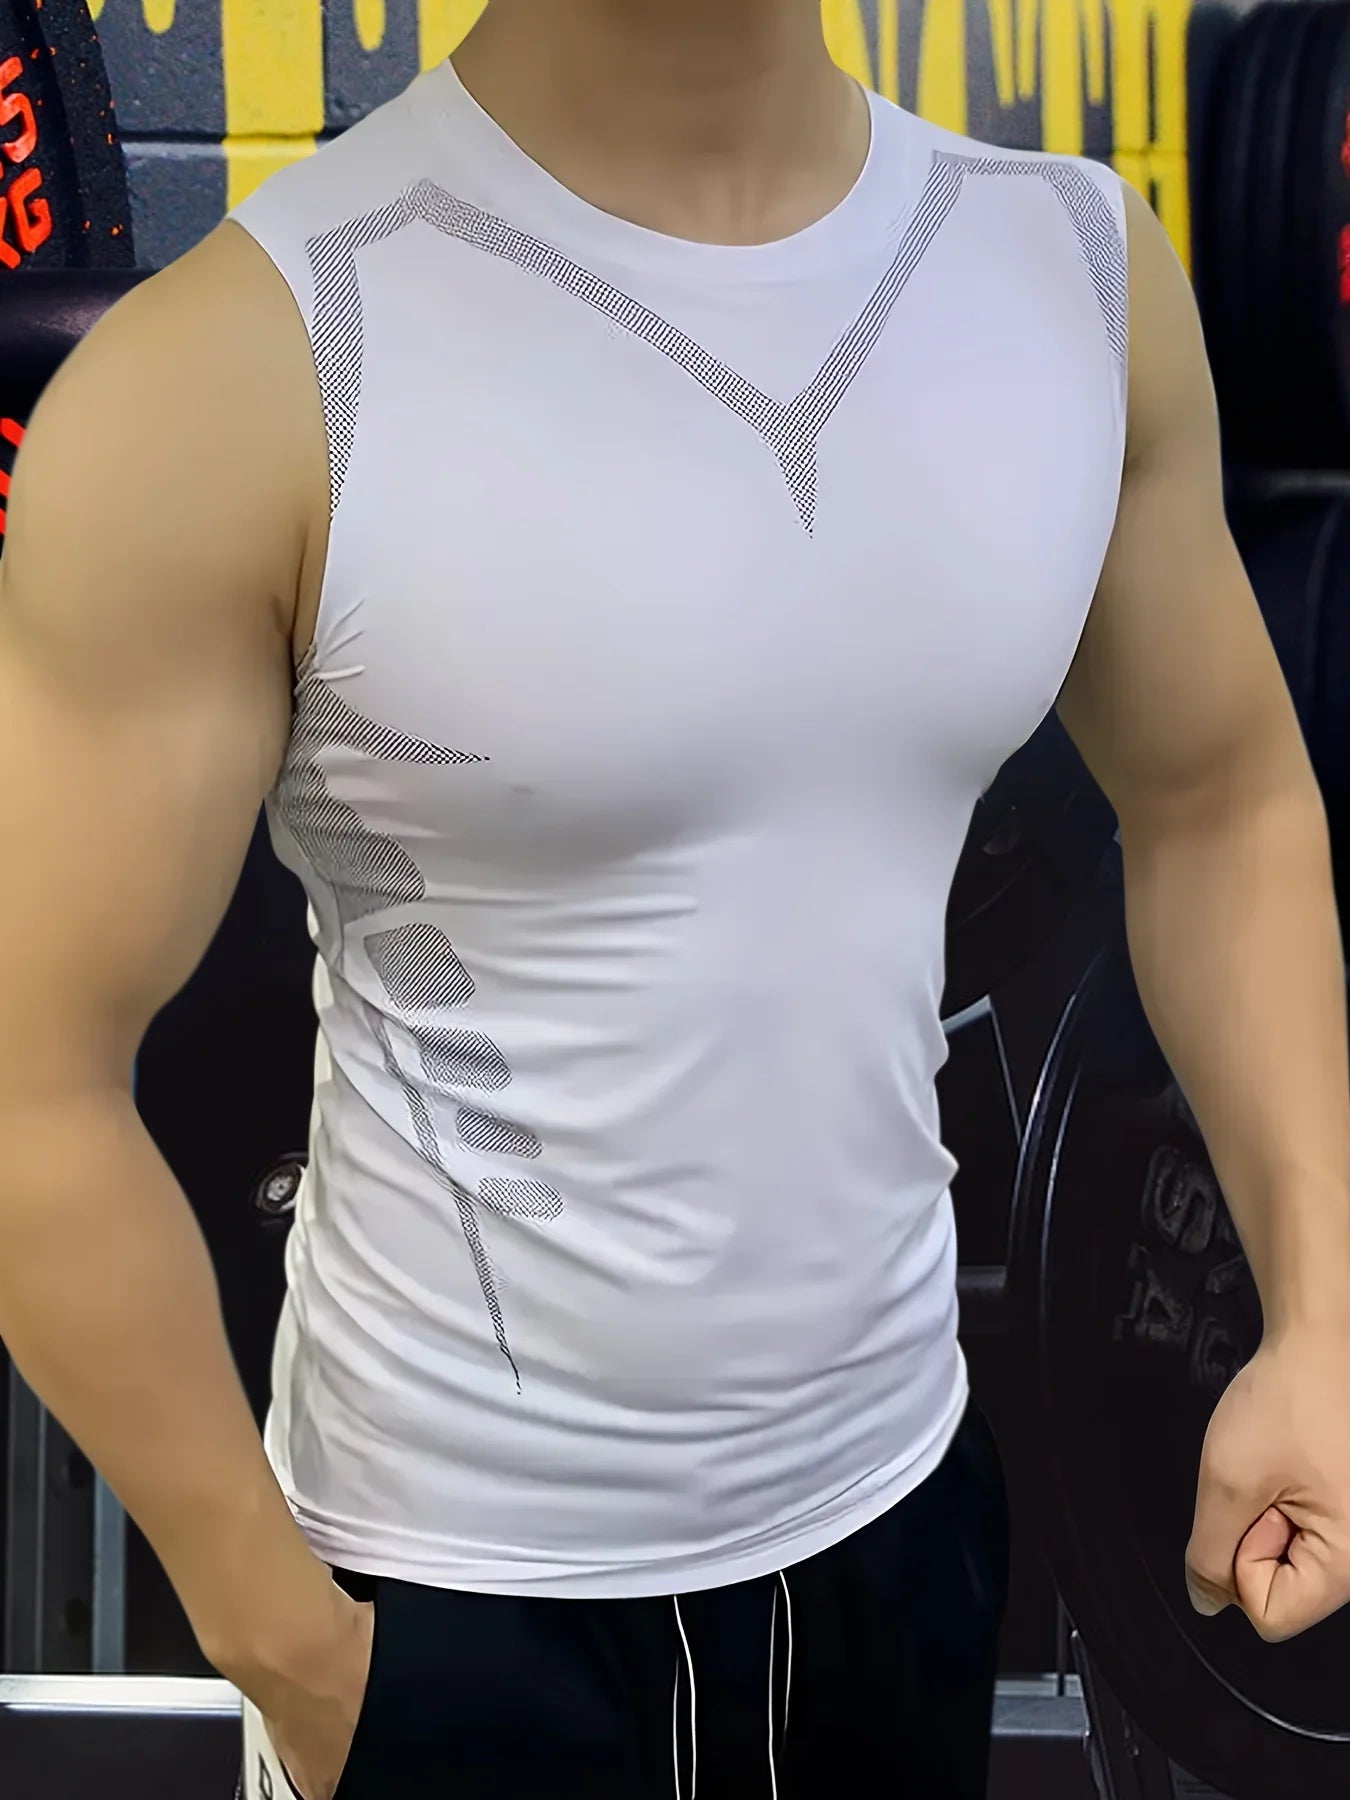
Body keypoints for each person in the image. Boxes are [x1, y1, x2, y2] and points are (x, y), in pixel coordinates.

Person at [3, 0, 1350, 1796]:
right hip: (453, 1593)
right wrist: (296, 1654)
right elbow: (28, 1080)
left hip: (905, 1522)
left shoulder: (1072, 277)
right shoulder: (248, 362)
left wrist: (1321, 1317)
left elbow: (1222, 800)